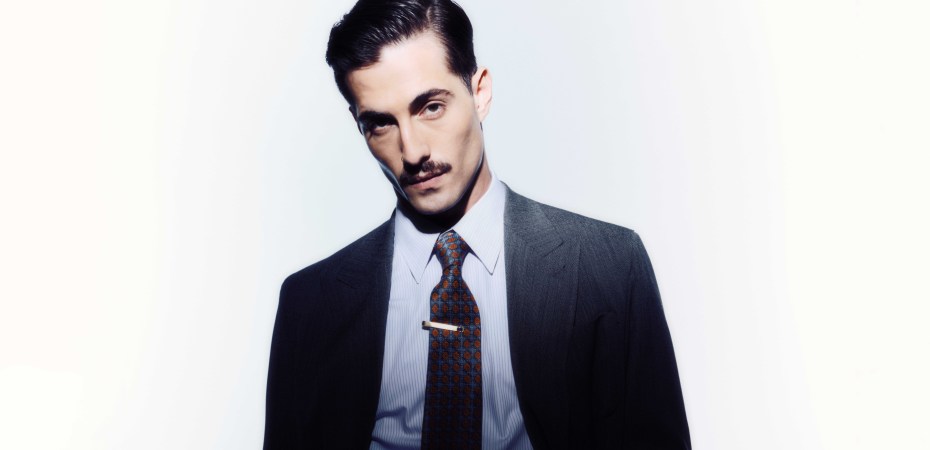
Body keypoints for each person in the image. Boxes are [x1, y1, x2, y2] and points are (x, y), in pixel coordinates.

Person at [264, 0, 691, 448]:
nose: (413, 151)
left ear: (480, 92)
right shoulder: (309, 304)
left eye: (431, 107)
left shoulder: (608, 267)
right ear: (359, 126)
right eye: (381, 124)